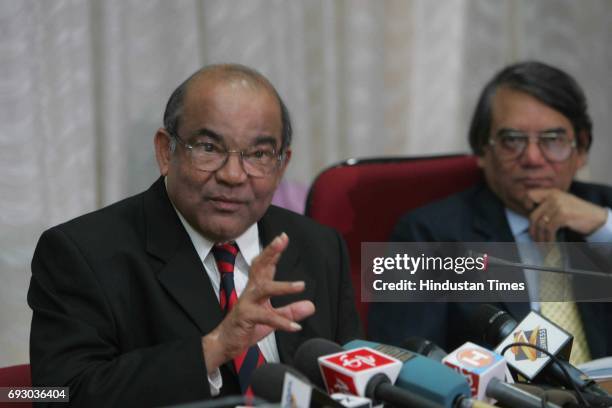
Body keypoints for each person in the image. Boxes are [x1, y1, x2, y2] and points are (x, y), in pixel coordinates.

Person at [28, 64, 361, 406]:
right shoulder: (80, 254)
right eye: (209, 148)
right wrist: (214, 348)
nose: (233, 175)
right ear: (164, 152)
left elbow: (353, 382)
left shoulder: (320, 246)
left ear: (280, 166)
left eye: (259, 154)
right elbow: (57, 395)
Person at [368, 61, 612, 361]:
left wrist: (603, 226)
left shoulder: (603, 213)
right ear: (483, 150)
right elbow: (401, 361)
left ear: (582, 148)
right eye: (513, 141)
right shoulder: (423, 235)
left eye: (553, 140)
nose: (534, 158)